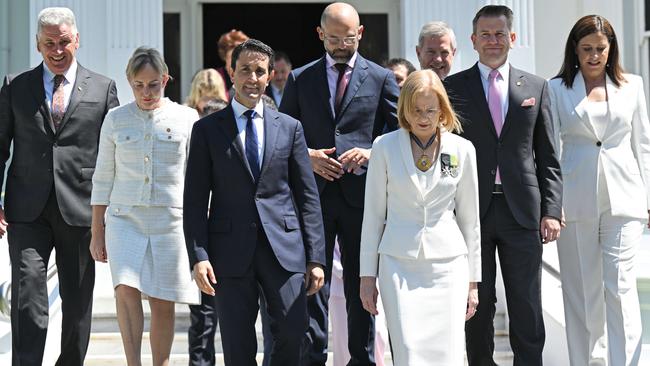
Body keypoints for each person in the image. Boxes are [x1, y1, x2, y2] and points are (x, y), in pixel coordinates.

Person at [183, 39, 326, 366]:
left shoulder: (290, 128)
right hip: (229, 251)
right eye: (244, 69)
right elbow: (193, 199)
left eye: (260, 71)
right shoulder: (206, 130)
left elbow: (307, 196)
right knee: (237, 344)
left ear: (270, 76)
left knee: (293, 331)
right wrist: (199, 255)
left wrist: (316, 256)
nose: (252, 78)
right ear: (231, 73)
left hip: (284, 249)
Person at [279, 2, 399, 364]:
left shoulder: (380, 78)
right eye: (333, 38)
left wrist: (370, 152)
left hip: (361, 199)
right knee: (314, 285)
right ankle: (313, 357)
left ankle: (361, 359)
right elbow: (283, 134)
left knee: (360, 287)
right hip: (314, 199)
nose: (341, 45)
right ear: (320, 35)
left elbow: (397, 133)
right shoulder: (301, 78)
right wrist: (308, 157)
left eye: (348, 37)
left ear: (360, 33)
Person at [444, 5, 563, 366]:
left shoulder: (536, 87)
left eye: (500, 34)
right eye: (485, 35)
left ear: (512, 38)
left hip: (522, 212)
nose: (493, 41)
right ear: (473, 41)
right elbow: (445, 153)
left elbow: (548, 155)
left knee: (525, 301)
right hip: (471, 213)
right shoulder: (453, 87)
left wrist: (552, 210)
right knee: (477, 305)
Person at [0, 7, 119, 365]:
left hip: (82, 210)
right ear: (37, 45)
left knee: (78, 302)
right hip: (26, 210)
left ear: (77, 40)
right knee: (27, 298)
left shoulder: (103, 88)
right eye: (49, 43)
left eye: (64, 42)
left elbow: (114, 154)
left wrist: (110, 211)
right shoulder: (14, 86)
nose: (57, 50)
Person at [359, 69, 480, 365]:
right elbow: (373, 216)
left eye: (430, 109)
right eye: (416, 110)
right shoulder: (383, 147)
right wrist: (367, 276)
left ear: (442, 109)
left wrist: (473, 281)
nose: (424, 117)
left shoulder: (463, 149)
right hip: (398, 265)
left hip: (449, 266)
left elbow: (470, 218)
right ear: (404, 109)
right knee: (408, 352)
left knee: (448, 353)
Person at [549, 15, 650, 366]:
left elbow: (644, 145)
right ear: (575, 51)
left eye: (600, 49)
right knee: (581, 292)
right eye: (587, 49)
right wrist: (552, 203)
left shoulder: (632, 85)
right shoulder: (556, 89)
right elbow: (548, 150)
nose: (594, 56)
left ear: (612, 50)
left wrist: (649, 200)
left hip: (625, 200)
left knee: (619, 287)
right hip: (573, 201)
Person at [90, 46, 200, 366]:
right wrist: (97, 231)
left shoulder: (187, 118)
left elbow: (197, 179)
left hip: (171, 221)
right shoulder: (115, 119)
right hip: (125, 220)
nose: (146, 92)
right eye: (138, 85)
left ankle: (161, 363)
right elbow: (102, 177)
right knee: (125, 288)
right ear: (129, 82)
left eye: (153, 84)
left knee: (162, 298)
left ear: (165, 79)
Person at [217, 29, 249, 94]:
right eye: (233, 58)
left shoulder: (251, 77)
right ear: (224, 56)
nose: (237, 62)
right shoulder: (215, 77)